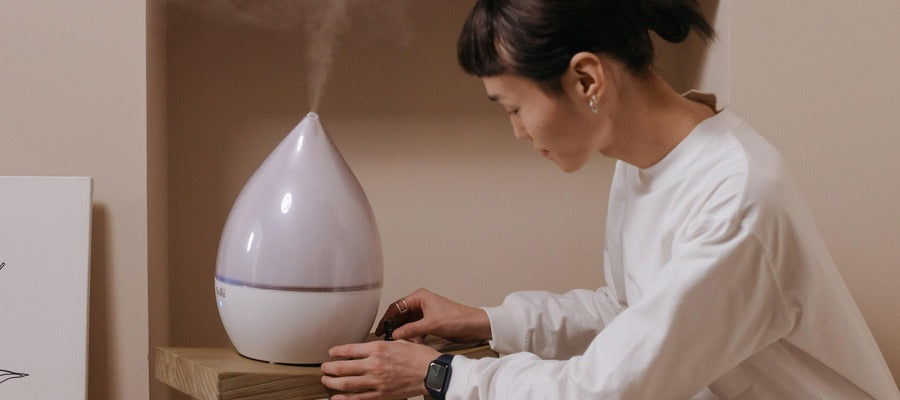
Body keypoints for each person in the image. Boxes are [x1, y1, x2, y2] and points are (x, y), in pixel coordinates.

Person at [320, 0, 899, 398]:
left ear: (587, 80)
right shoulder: (646, 161)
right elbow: (630, 313)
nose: (518, 132)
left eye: (515, 108)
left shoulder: (736, 198)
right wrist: (486, 321)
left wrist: (442, 376)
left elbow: (610, 388)